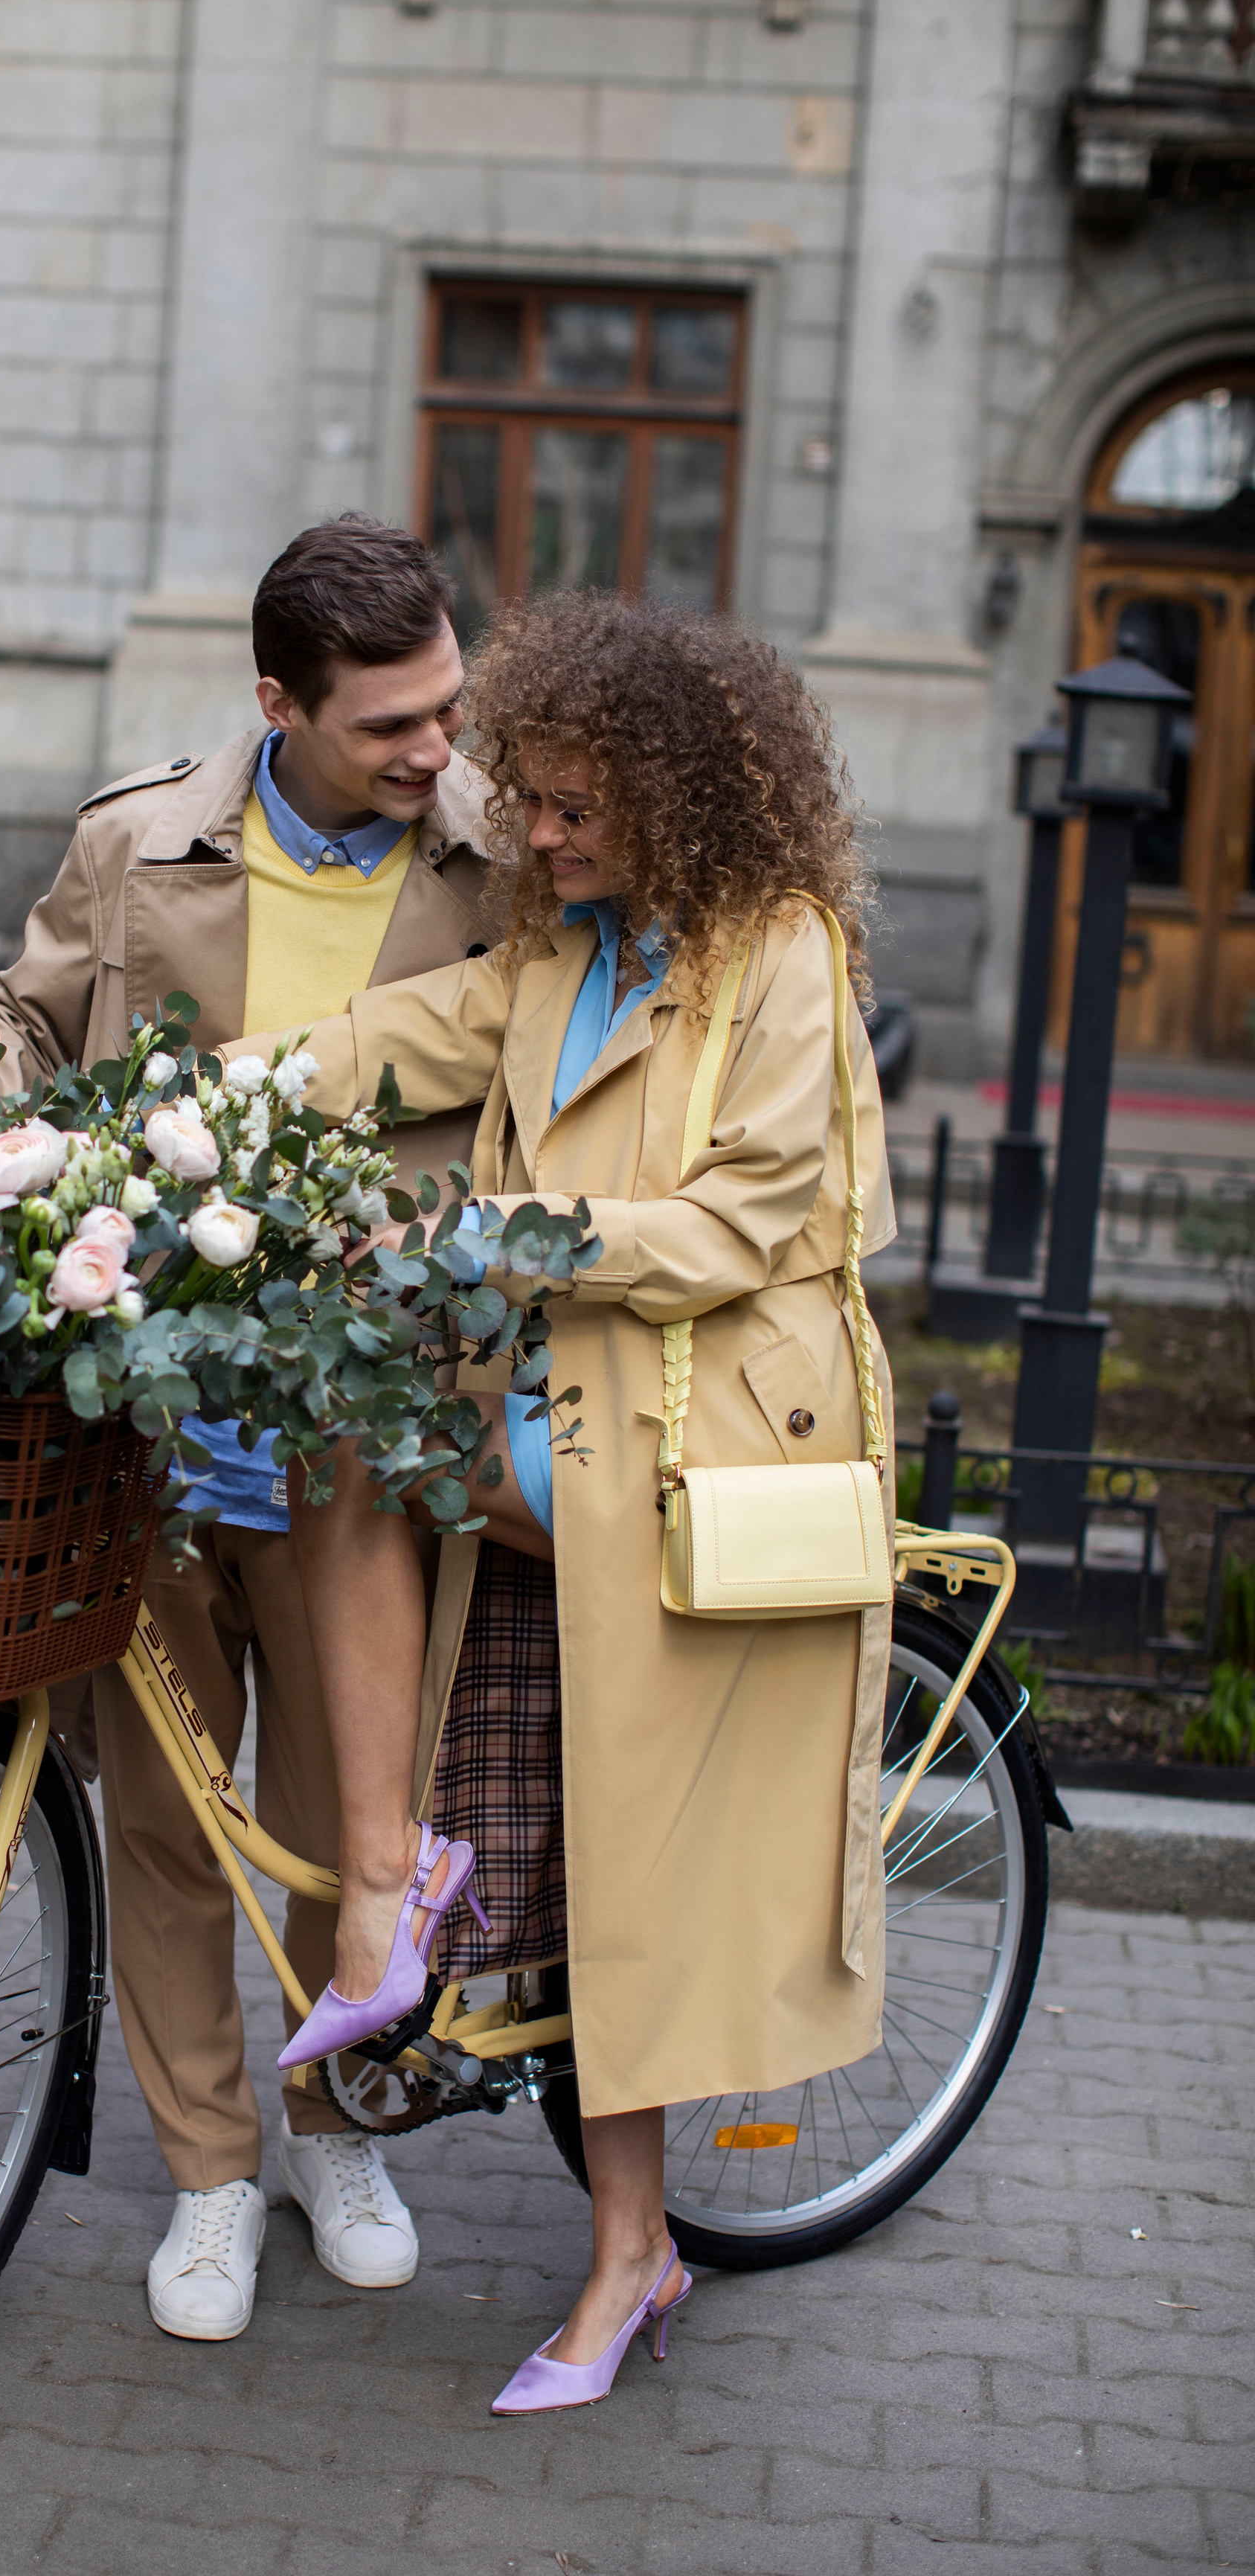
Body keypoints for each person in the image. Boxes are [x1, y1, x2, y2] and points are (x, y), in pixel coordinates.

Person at [235, 592, 897, 2412]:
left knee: (637, 1877)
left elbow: (745, 1221)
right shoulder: (551, 950)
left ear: (675, 793)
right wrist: (166, 1119)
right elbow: (377, 1048)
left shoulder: (781, 954)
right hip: (567, 1420)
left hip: (700, 1442)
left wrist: (496, 1235)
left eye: (567, 806)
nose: (527, 832)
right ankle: (393, 1889)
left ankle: (625, 2250)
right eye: (523, 798)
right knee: (347, 1435)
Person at [0, 516, 492, 2340]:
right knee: (178, 1829)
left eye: (447, 705)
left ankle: (332, 2127)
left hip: (373, 1438)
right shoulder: (137, 843)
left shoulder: (503, 859)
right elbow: (18, 1034)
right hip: (160, 1428)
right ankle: (206, 2176)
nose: (435, 752)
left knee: (356, 1819)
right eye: (389, 727)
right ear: (276, 703)